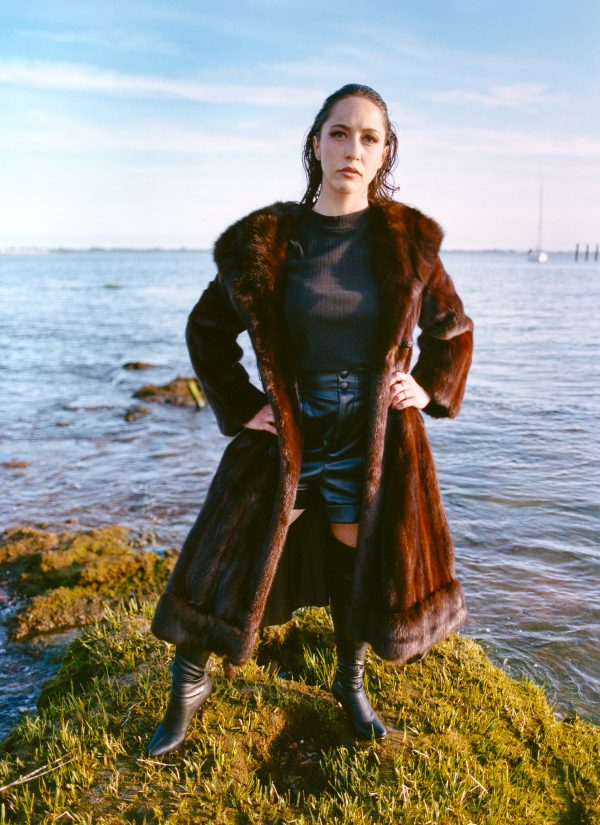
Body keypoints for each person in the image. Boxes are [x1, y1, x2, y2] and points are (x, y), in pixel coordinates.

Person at [148, 83, 474, 756]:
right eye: (339, 132)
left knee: (357, 560)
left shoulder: (409, 242)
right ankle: (187, 688)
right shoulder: (266, 240)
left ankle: (349, 684)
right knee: (226, 557)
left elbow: (454, 329)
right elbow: (206, 329)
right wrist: (243, 404)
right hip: (290, 429)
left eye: (368, 137)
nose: (353, 147)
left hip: (373, 435)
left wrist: (428, 386)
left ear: (384, 153)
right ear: (316, 143)